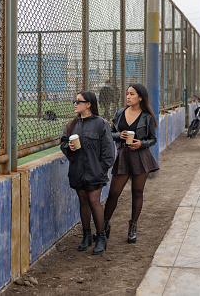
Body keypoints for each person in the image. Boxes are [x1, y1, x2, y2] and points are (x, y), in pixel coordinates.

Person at [103, 83, 159, 244]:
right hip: (123, 156)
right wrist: (119, 135)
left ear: (140, 97)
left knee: (137, 192)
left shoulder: (147, 117)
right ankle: (104, 226)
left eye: (132, 94)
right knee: (114, 193)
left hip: (141, 157)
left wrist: (141, 144)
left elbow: (152, 139)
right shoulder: (120, 113)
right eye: (127, 93)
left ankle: (133, 226)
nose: (128, 96)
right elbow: (110, 133)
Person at [60, 91, 114, 255]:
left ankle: (101, 237)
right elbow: (63, 142)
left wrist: (101, 169)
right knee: (83, 200)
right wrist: (67, 147)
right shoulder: (72, 124)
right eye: (75, 101)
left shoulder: (100, 123)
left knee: (93, 200)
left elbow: (109, 151)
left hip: (94, 171)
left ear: (89, 104)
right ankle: (86, 235)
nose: (75, 103)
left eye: (79, 101)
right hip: (77, 170)